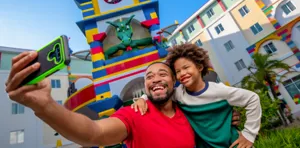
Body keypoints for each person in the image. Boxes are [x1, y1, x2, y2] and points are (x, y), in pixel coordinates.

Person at [5, 51, 240, 148]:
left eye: (162, 74)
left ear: (175, 82)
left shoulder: (190, 111)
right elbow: (93, 133)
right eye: (149, 76)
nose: (155, 79)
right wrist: (46, 106)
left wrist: (228, 116)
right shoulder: (135, 113)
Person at [132, 43, 262, 148]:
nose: (182, 73)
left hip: (233, 144)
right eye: (177, 71)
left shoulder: (220, 91)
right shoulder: (178, 94)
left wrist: (249, 134)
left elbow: (252, 99)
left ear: (199, 67)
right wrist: (142, 99)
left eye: (186, 67)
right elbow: (159, 92)